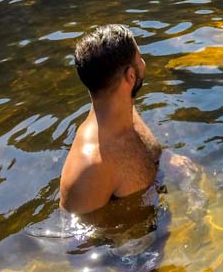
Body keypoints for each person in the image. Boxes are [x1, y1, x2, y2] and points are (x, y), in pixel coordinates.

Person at [60, 24, 162, 215]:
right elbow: (78, 241)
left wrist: (171, 162)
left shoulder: (127, 113)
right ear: (131, 76)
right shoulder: (89, 169)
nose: (144, 63)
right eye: (140, 59)